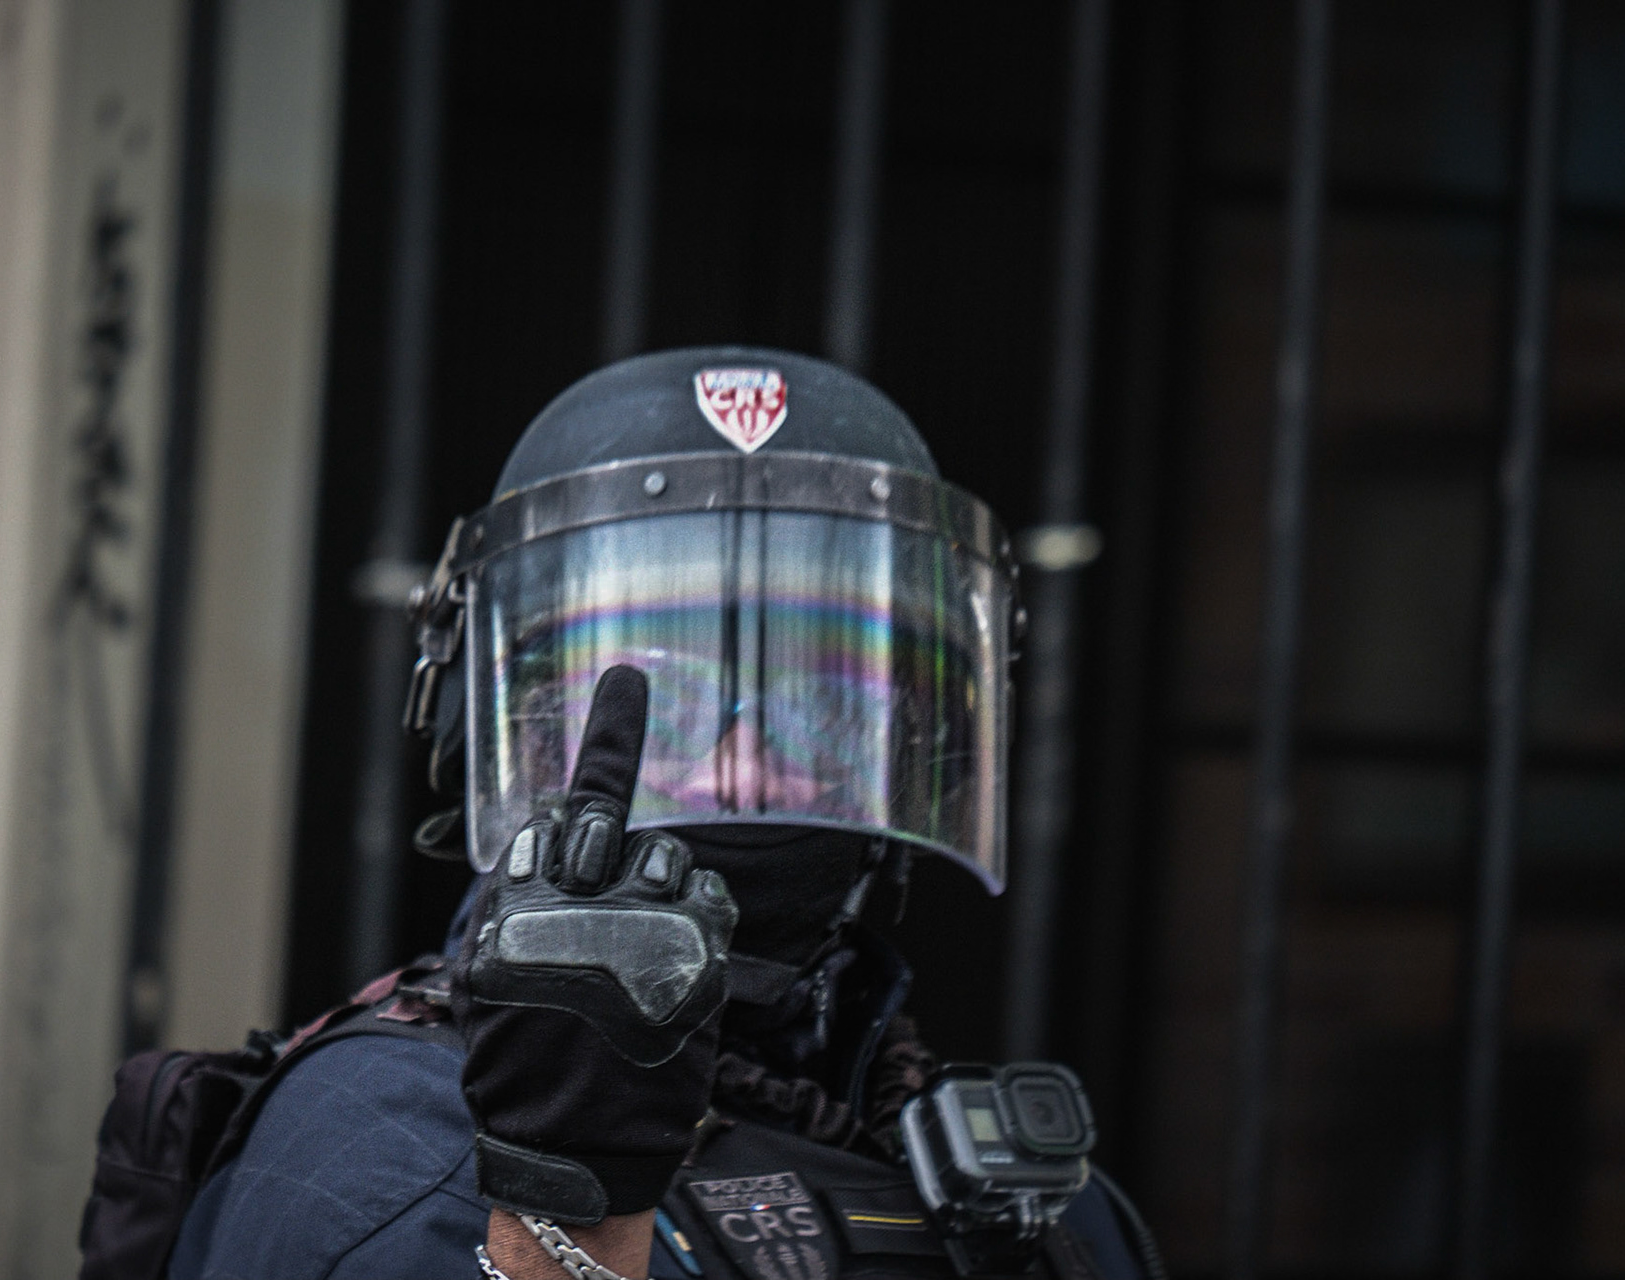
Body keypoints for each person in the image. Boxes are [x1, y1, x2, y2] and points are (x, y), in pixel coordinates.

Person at [167, 348, 1160, 1280]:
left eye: (816, 707)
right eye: (672, 707)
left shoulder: (1031, 1194)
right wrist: (563, 1209)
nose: (743, 762)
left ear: (899, 739)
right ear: (528, 733)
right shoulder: (372, 1149)